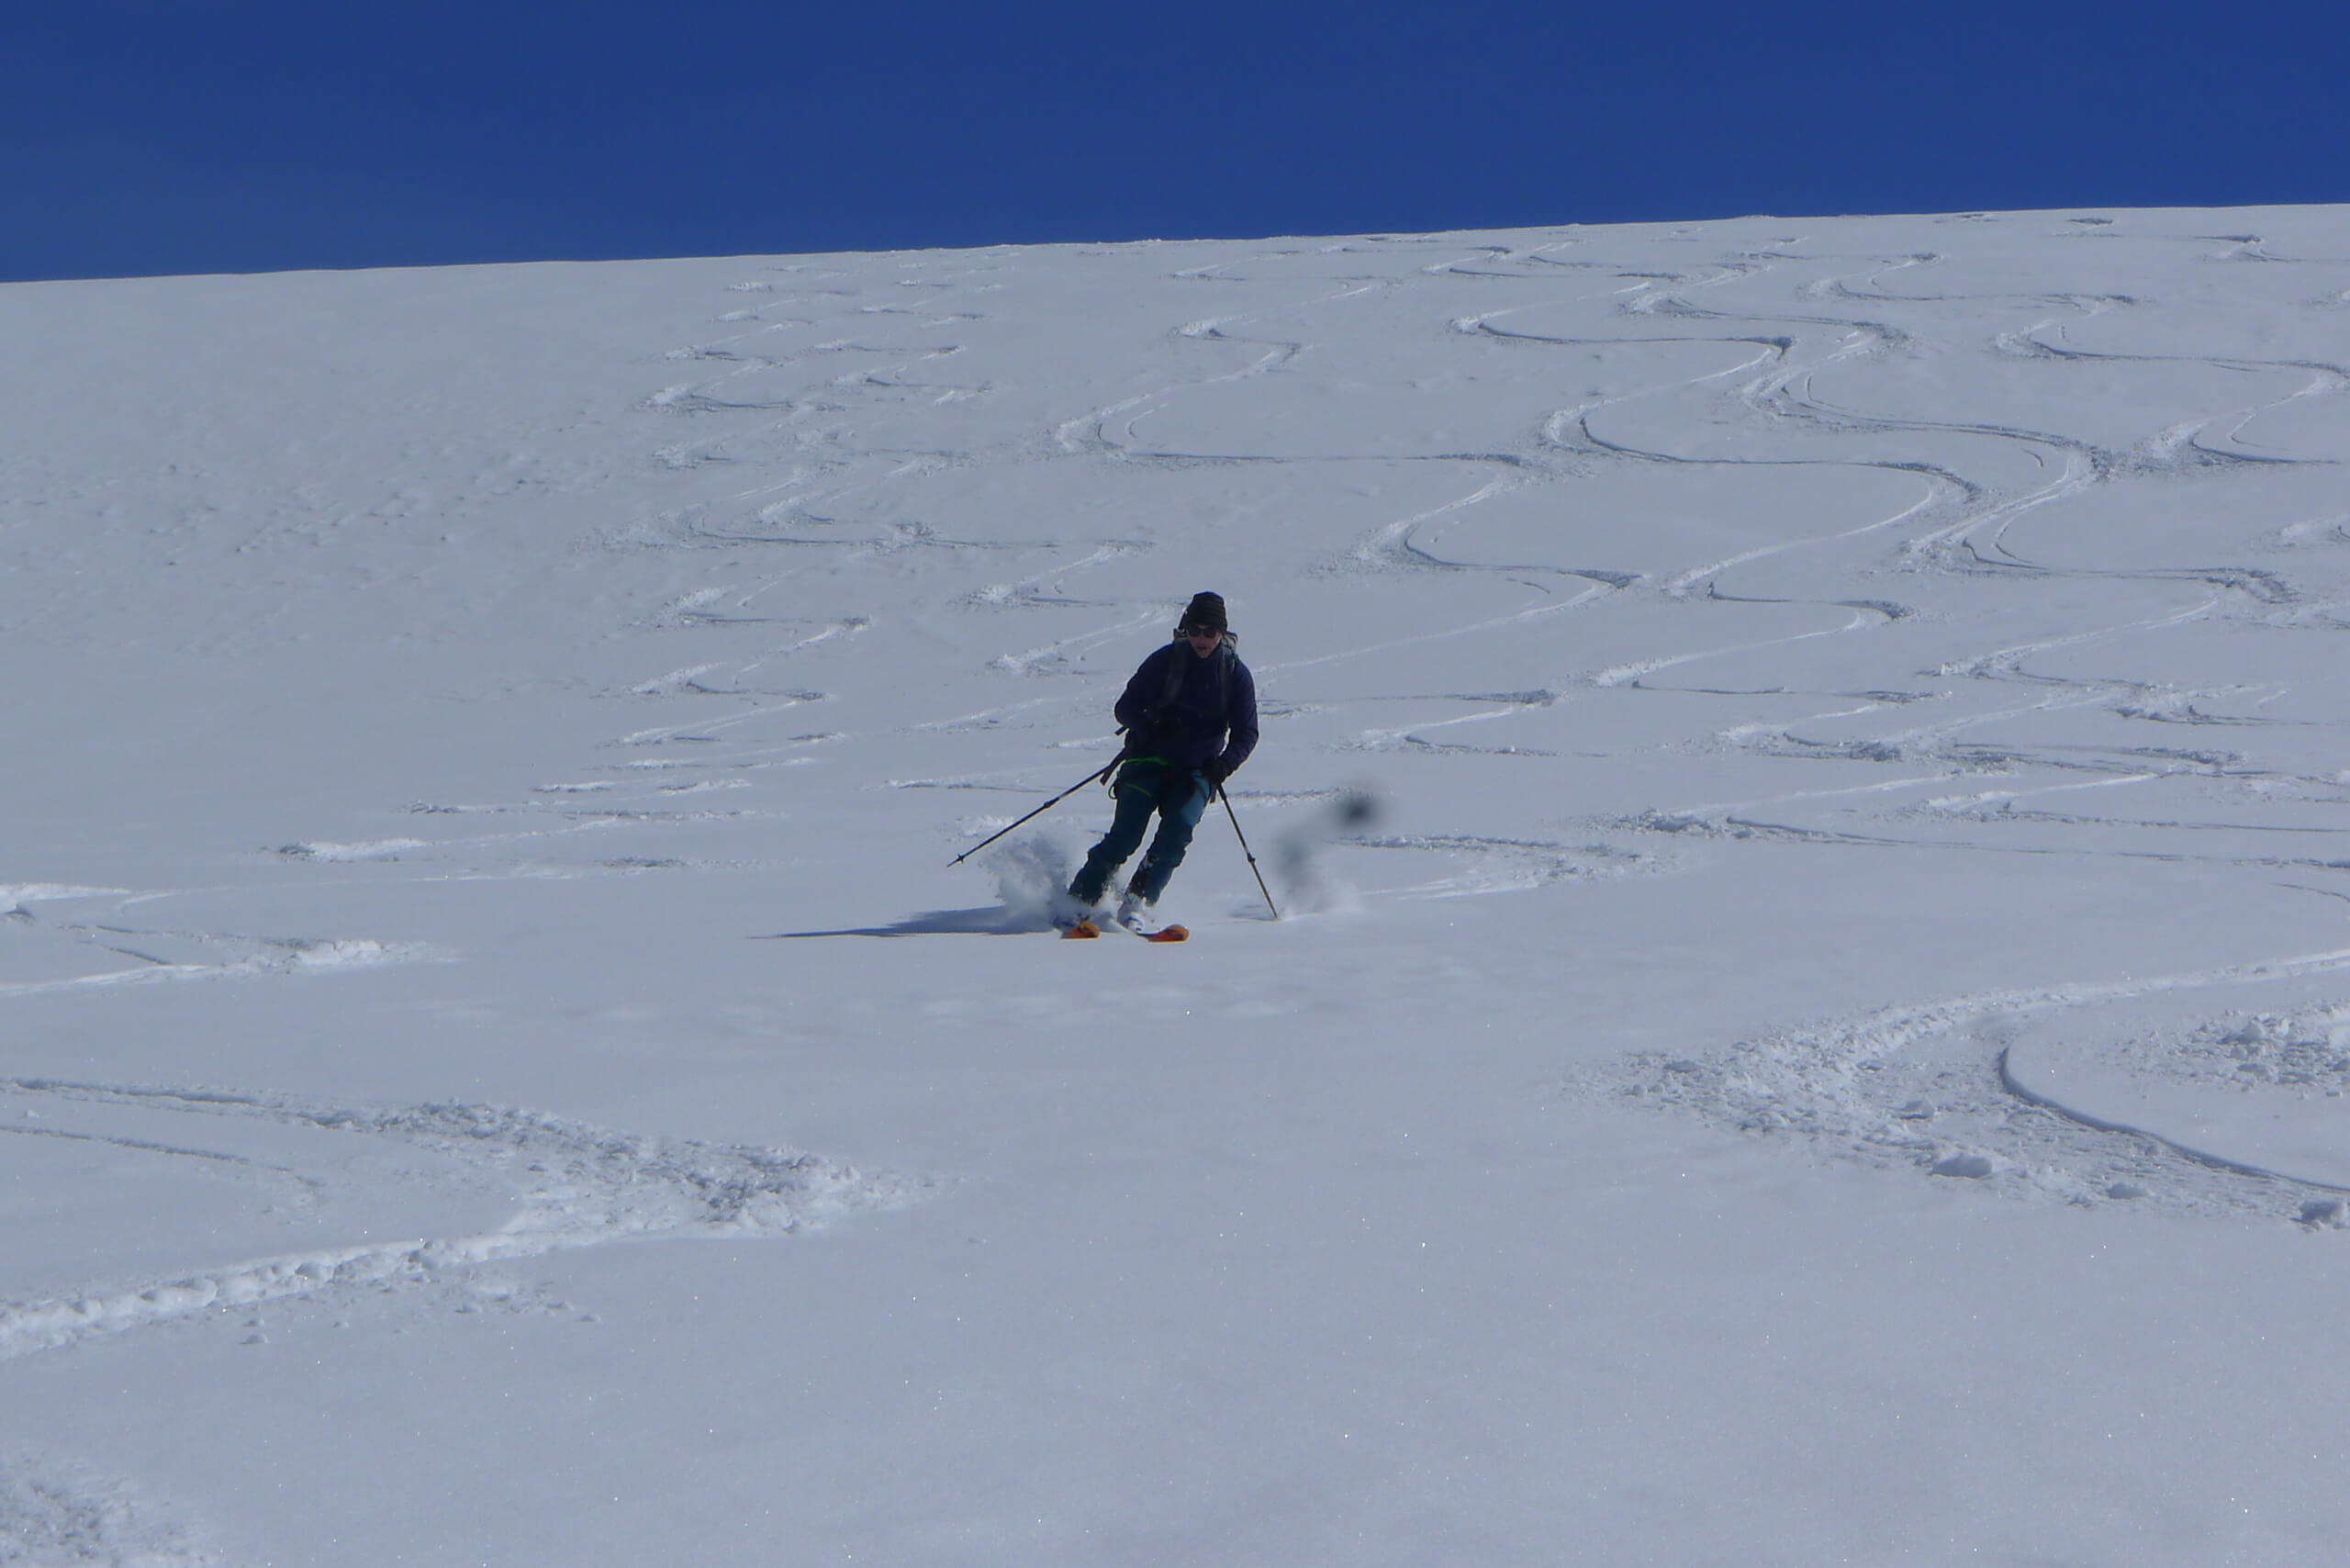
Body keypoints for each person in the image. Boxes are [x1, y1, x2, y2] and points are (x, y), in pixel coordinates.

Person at [1066, 591, 1258, 929]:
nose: (1200, 639)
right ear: (1185, 629)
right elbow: (1125, 707)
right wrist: (1150, 726)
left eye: (1209, 632)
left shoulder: (1235, 675)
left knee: (1176, 835)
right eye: (1194, 630)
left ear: (1222, 633)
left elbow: (1247, 733)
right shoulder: (1165, 661)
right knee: (1125, 836)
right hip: (1147, 761)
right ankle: (1080, 899)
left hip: (1197, 771)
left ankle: (1137, 902)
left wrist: (1225, 764)